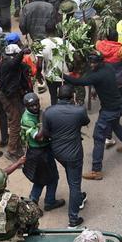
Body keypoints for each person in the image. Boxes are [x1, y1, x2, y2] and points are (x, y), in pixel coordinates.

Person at [61, 50, 122, 182]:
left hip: (110, 110)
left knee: (98, 136)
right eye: (90, 62)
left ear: (100, 62)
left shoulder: (98, 75)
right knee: (115, 125)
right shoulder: (108, 67)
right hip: (118, 105)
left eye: (93, 62)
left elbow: (80, 82)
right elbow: (98, 80)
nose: (91, 65)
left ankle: (96, 170)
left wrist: (63, 76)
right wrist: (97, 90)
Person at [41, 85, 90, 227]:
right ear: (72, 96)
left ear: (57, 96)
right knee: (74, 184)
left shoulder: (49, 112)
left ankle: (79, 198)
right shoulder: (79, 110)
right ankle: (73, 220)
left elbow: (45, 132)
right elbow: (86, 122)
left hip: (57, 151)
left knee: (71, 174)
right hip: (74, 152)